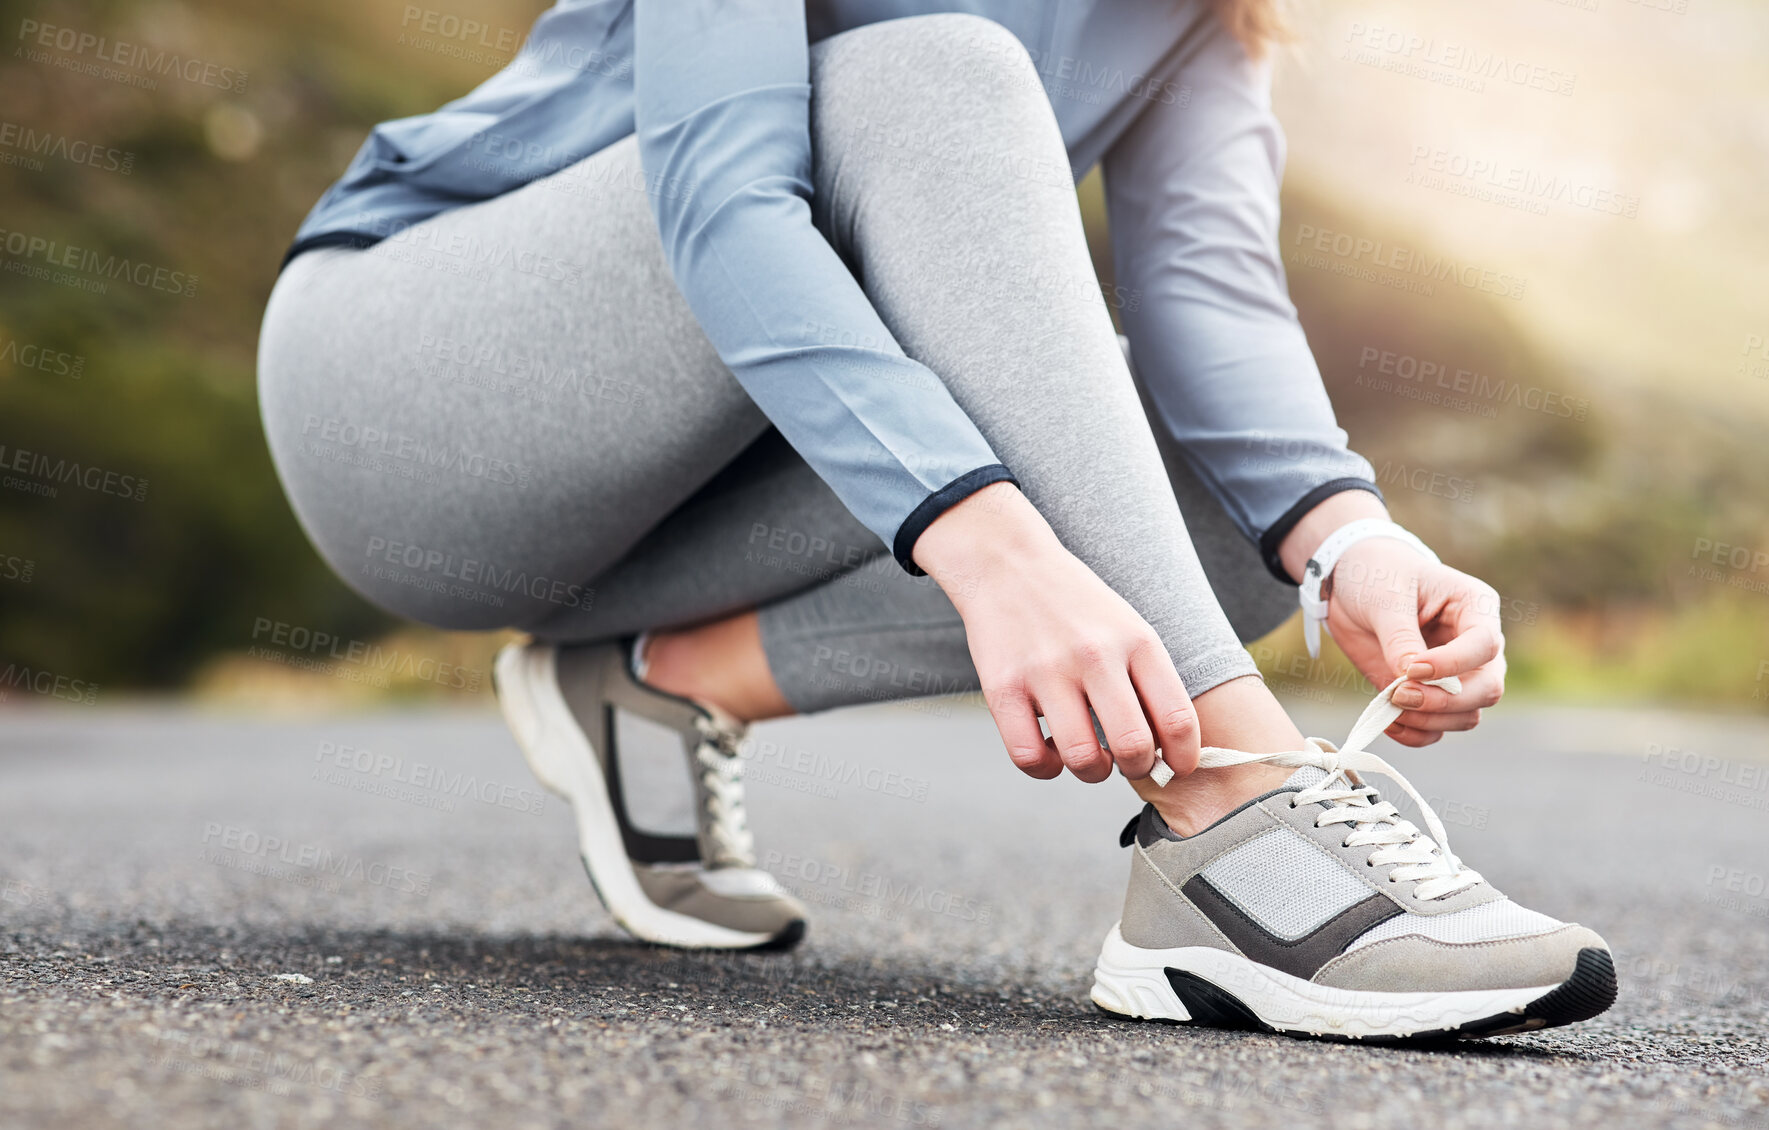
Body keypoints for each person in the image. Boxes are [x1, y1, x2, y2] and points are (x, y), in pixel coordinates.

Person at [256, 0, 1615, 1039]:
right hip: (407, 405)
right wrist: (990, 544)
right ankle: (1230, 817)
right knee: (938, 74)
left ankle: (648, 682)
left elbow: (1208, 292)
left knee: (1222, 521)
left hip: (710, 468)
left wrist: (1347, 538)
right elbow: (719, 202)